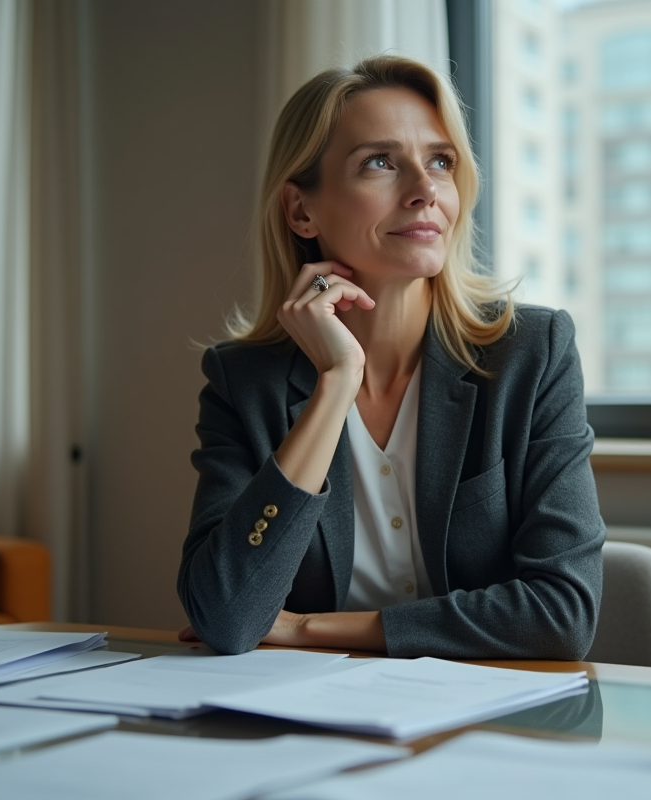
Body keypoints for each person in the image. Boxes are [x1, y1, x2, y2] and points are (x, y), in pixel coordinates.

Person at [177, 55, 604, 660]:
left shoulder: (532, 355)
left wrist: (308, 628)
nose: (425, 191)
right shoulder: (243, 382)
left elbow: (561, 615)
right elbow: (224, 614)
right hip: (309, 724)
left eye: (441, 162)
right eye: (380, 163)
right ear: (302, 210)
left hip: (492, 725)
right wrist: (334, 384)